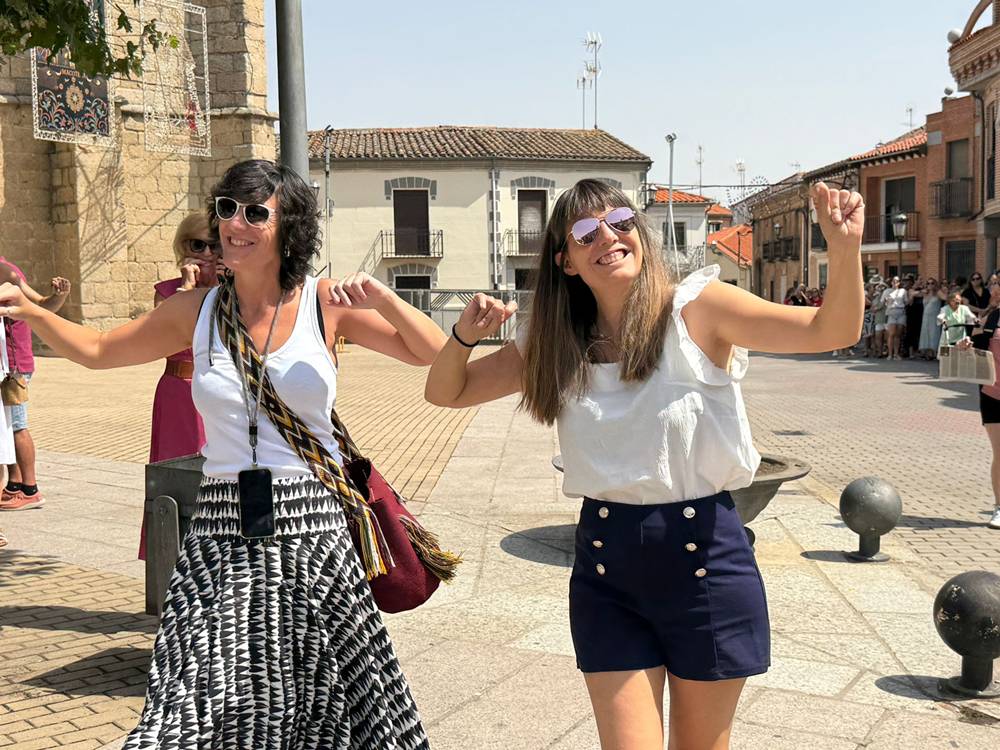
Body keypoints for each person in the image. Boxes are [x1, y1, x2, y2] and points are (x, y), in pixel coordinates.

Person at [0, 159, 444, 748]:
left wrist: (385, 300)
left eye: (256, 212)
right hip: (222, 524)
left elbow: (435, 356)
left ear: (289, 229)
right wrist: (33, 313)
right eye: (227, 208)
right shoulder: (198, 309)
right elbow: (101, 349)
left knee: (328, 696)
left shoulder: (323, 303)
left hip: (314, 524)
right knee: (195, 690)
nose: (234, 223)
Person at [425, 179, 864, 750]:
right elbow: (446, 393)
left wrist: (845, 248)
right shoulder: (555, 340)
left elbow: (832, 330)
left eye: (620, 221)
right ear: (566, 260)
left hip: (706, 558)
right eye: (585, 231)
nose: (607, 236)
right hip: (607, 567)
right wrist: (462, 337)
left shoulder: (698, 311)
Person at [138, 213, 221, 560]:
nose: (204, 253)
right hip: (178, 390)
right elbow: (165, 337)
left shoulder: (231, 290)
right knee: (174, 472)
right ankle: (170, 554)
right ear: (182, 247)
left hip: (218, 389)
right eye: (195, 244)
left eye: (213, 245)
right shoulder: (168, 292)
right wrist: (187, 292)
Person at [0, 259, 71, 511]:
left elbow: (42, 306)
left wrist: (59, 296)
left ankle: (30, 489)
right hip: (7, 364)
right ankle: (15, 486)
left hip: (13, 367)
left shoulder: (7, 271)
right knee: (5, 427)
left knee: (17, 425)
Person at [957, 275, 1000, 529]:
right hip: (992, 393)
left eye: (997, 284)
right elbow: (975, 348)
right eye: (994, 284)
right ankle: (999, 507)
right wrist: (965, 346)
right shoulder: (991, 318)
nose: (994, 288)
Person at [917, 278, 945, 359]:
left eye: (932, 283)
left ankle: (933, 351)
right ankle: (926, 351)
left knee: (934, 332)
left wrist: (941, 290)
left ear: (935, 284)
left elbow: (945, 298)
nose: (930, 285)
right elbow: (912, 293)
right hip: (925, 316)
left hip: (934, 316)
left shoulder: (938, 293)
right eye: (928, 283)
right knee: (925, 332)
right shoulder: (925, 293)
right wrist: (920, 289)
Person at [881, 276, 907, 360]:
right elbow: (882, 302)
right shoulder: (887, 291)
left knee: (898, 334)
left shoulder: (903, 291)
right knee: (891, 334)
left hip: (900, 312)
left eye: (897, 281)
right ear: (891, 282)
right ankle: (890, 354)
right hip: (891, 312)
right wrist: (886, 301)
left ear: (899, 283)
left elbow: (906, 301)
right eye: (893, 281)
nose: (895, 282)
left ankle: (896, 354)